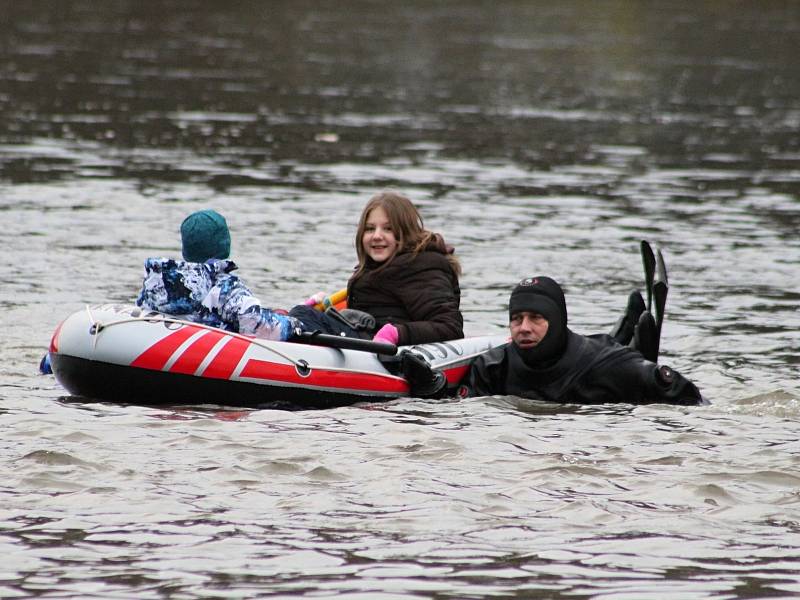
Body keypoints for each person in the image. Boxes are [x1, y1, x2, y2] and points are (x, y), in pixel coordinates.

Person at [453, 276, 705, 405]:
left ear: (557, 320)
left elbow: (688, 396)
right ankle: (625, 330)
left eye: (536, 318)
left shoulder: (604, 363)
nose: (524, 328)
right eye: (517, 319)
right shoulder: (493, 366)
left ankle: (630, 340)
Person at [290, 191, 463, 346]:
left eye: (388, 229)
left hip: (385, 352)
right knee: (298, 314)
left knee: (301, 316)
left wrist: (395, 334)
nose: (377, 236)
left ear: (406, 232)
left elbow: (449, 326)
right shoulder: (375, 268)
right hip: (365, 339)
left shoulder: (422, 266)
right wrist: (322, 310)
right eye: (370, 229)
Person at [136, 209, 299, 341]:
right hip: (212, 358)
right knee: (304, 313)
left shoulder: (157, 283)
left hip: (170, 346)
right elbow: (259, 327)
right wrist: (293, 324)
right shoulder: (223, 285)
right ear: (224, 246)